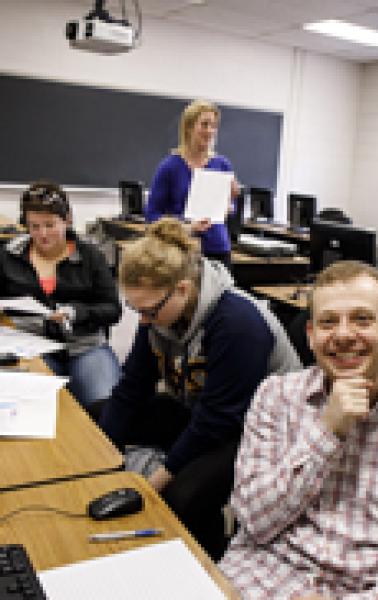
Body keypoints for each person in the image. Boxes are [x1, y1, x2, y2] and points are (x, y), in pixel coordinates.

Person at [220, 260, 378, 599]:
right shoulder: (275, 397)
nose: (344, 334)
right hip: (260, 577)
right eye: (328, 322)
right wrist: (327, 432)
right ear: (311, 335)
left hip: (362, 591)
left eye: (362, 319)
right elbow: (252, 520)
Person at [99, 217, 301, 559]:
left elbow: (216, 422)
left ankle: (209, 559)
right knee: (97, 413)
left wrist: (152, 485)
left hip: (257, 432)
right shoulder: (159, 313)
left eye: (148, 312)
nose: (143, 322)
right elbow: (133, 386)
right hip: (204, 409)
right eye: (136, 311)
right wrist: (99, 461)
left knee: (182, 497)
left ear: (182, 288)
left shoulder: (238, 324)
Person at [0, 181, 121, 409]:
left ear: (67, 220)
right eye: (34, 226)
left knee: (105, 406)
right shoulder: (9, 255)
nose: (42, 234)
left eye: (50, 225)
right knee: (36, 407)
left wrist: (77, 312)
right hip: (31, 345)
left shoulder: (91, 256)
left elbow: (113, 310)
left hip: (85, 346)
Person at [145, 99, 240, 268]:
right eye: (204, 125)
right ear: (189, 127)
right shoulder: (170, 166)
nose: (209, 131)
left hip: (217, 250)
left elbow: (230, 212)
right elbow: (152, 215)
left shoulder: (222, 165)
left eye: (213, 126)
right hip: (181, 250)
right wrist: (186, 228)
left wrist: (229, 203)